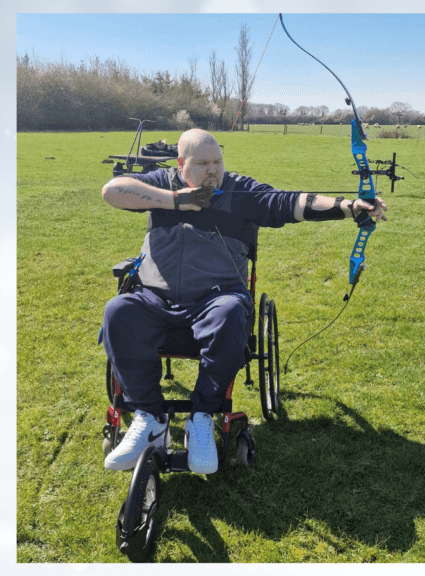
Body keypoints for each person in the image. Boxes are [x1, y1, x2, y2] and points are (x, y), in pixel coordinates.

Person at [101, 128, 387, 474]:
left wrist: (347, 207)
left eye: (217, 161)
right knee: (118, 311)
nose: (213, 171)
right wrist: (176, 200)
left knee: (233, 312)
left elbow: (289, 202)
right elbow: (112, 191)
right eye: (202, 163)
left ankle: (203, 417)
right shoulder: (162, 182)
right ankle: (150, 418)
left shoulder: (239, 191)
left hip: (214, 300)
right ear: (181, 164)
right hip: (154, 299)